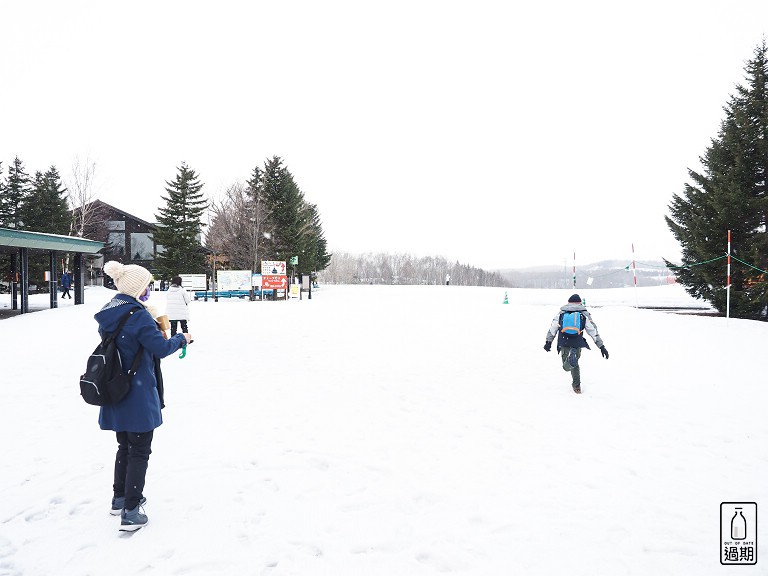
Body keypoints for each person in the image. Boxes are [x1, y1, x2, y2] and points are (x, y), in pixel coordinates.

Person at [96, 261, 192, 531]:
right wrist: (182, 338)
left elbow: (130, 344)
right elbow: (160, 348)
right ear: (138, 288)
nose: (149, 289)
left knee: (124, 446)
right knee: (139, 450)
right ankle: (132, 509)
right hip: (136, 393)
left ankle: (120, 498)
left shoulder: (112, 312)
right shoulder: (137, 316)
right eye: (147, 285)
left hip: (117, 389)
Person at [543, 293, 609, 394]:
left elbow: (553, 328)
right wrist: (601, 346)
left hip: (564, 340)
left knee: (566, 367)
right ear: (580, 303)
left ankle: (570, 361)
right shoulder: (584, 314)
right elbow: (592, 330)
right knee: (575, 363)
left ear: (568, 302)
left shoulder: (561, 313)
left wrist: (548, 342)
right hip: (577, 342)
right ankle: (576, 386)